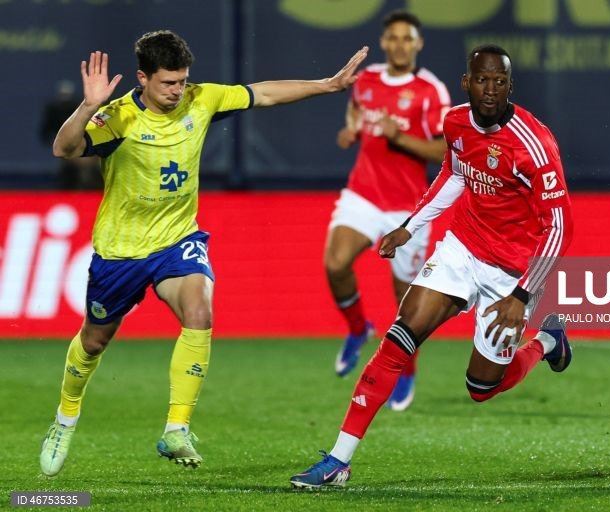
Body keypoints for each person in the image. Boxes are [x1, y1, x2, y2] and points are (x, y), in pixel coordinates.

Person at [39, 30, 368, 477]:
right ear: (143, 78)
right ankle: (65, 418)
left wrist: (327, 85)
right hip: (121, 252)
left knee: (199, 312)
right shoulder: (117, 118)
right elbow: (64, 148)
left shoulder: (201, 99)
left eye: (182, 81)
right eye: (167, 83)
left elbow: (263, 94)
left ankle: (176, 427)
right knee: (95, 340)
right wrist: (87, 106)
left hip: (177, 241)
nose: (177, 91)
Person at [291, 44, 574, 489]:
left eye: (500, 82)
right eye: (482, 80)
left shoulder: (534, 147)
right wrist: (409, 226)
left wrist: (521, 296)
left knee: (481, 388)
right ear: (467, 82)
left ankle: (546, 343)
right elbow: (454, 173)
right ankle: (339, 461)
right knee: (401, 334)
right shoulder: (456, 121)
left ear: (510, 86)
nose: (490, 90)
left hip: (512, 273)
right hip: (462, 248)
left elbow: (560, 228)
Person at [327, 10, 450, 412]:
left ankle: (407, 371)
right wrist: (351, 130)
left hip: (407, 208)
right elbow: (356, 113)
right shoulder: (367, 80)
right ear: (384, 42)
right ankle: (358, 328)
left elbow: (444, 151)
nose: (399, 44)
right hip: (363, 193)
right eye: (393, 38)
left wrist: (404, 139)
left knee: (407, 301)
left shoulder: (431, 91)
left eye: (407, 38)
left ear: (418, 44)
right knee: (335, 263)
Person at [39, 80, 102, 189]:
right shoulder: (54, 111)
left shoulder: (80, 111)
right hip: (69, 148)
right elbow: (46, 133)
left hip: (84, 144)